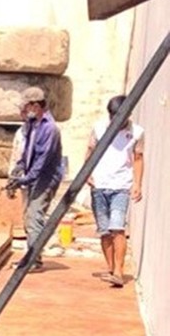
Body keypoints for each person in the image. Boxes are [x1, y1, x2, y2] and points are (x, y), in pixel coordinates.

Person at [87, 94, 145, 288]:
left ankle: (119, 271)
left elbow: (138, 158)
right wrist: (87, 174)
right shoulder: (98, 128)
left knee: (117, 227)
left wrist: (137, 184)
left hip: (121, 186)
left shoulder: (137, 132)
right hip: (99, 185)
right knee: (104, 231)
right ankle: (111, 268)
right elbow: (90, 151)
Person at [6, 86, 64, 272]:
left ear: (35, 106)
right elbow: (28, 153)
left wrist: (25, 180)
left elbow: (42, 160)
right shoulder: (32, 124)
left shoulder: (50, 129)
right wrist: (18, 169)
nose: (23, 110)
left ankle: (34, 261)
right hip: (33, 177)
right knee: (28, 217)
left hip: (45, 179)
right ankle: (32, 258)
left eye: (26, 106)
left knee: (34, 217)